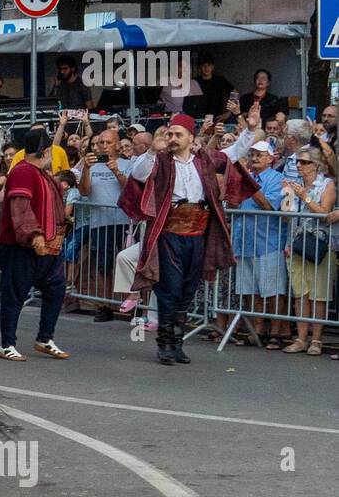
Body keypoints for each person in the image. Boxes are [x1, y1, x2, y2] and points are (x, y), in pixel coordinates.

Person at [120, 109, 260, 365]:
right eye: (170, 133)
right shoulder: (161, 160)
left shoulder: (203, 159)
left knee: (187, 291)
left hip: (197, 234)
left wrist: (250, 130)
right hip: (169, 234)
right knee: (169, 290)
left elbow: (233, 154)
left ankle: (177, 344)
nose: (172, 138)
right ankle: (164, 345)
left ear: (189, 137)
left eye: (178, 134)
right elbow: (138, 174)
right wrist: (153, 149)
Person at [0, 128, 69, 361]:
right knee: (14, 295)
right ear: (45, 151)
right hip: (21, 246)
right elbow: (20, 208)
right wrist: (34, 235)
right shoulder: (23, 172)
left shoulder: (41, 174)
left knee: (56, 288)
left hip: (46, 246)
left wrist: (57, 232)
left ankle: (45, 338)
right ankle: (7, 344)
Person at [230, 140, 290, 348]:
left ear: (270, 158)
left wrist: (247, 182)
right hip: (244, 241)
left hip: (268, 242)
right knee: (249, 290)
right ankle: (256, 331)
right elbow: (232, 203)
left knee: (273, 291)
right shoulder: (246, 177)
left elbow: (267, 204)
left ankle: (276, 332)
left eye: (259, 155)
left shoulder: (277, 179)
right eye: (252, 154)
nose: (254, 158)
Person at [74, 127, 133, 321]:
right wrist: (87, 169)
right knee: (103, 266)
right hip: (100, 223)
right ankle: (105, 306)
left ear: (117, 144)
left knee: (127, 264)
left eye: (108, 143)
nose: (104, 146)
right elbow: (83, 191)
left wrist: (116, 172)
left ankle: (130, 305)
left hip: (125, 221)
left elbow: (131, 191)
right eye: (101, 143)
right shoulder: (90, 166)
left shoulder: (128, 164)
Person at [281, 147, 335, 355]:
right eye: (297, 162)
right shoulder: (294, 185)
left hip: (319, 244)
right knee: (299, 293)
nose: (299, 166)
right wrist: (287, 196)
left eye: (304, 162)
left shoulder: (327, 184)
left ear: (316, 165)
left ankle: (316, 340)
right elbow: (286, 217)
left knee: (318, 294)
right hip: (296, 243)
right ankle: (301, 338)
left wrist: (305, 197)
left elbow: (325, 212)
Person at [191, 53, 234, 119]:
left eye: (209, 65)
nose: (206, 68)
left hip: (217, 117)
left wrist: (228, 113)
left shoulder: (220, 80)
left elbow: (235, 94)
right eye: (203, 65)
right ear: (199, 67)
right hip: (198, 119)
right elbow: (187, 101)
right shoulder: (194, 81)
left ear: (213, 66)